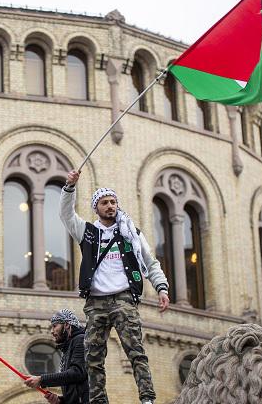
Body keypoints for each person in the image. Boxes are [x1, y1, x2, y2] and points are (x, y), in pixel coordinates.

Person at [59, 170, 170, 404]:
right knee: (93, 357)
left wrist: (161, 287)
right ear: (96, 207)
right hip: (96, 303)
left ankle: (147, 398)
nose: (110, 206)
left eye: (113, 202)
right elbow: (66, 215)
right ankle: (98, 401)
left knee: (135, 351)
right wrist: (69, 188)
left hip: (123, 299)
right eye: (104, 202)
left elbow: (150, 262)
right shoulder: (87, 232)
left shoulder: (131, 234)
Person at [24, 309, 89, 404]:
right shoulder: (68, 347)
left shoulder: (80, 340)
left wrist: (41, 380)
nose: (52, 331)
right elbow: (76, 387)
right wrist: (60, 401)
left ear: (66, 325)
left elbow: (77, 373)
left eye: (55, 326)